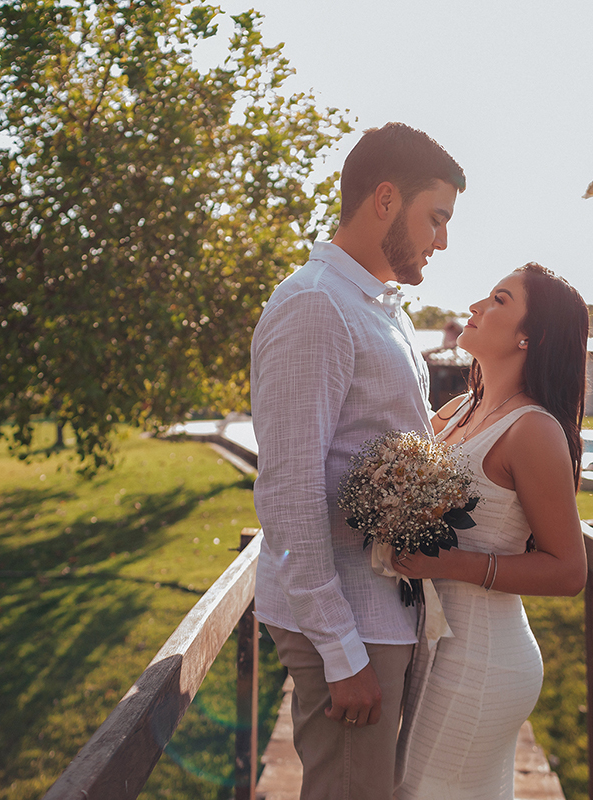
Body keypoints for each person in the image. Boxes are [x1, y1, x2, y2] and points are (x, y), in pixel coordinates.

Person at [250, 122, 465, 799]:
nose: (444, 240)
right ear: (384, 199)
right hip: (347, 626)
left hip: (382, 612)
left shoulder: (378, 306)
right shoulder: (317, 306)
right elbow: (288, 490)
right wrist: (341, 651)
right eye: (436, 218)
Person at [391, 263, 590, 799]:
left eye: (500, 300)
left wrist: (452, 564)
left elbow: (569, 570)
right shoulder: (459, 411)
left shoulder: (534, 431)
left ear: (533, 335)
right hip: (429, 645)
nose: (477, 305)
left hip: (480, 660)